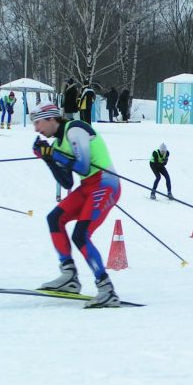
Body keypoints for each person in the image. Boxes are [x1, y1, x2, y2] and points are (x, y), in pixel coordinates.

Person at [30, 102, 121, 308]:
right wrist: (47, 158)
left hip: (106, 183)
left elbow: (84, 165)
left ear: (52, 118)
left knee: (81, 234)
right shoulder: (56, 144)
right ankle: (69, 275)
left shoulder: (75, 128)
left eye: (38, 123)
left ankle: (106, 289)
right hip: (88, 186)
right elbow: (67, 182)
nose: (37, 129)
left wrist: (53, 155)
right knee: (55, 218)